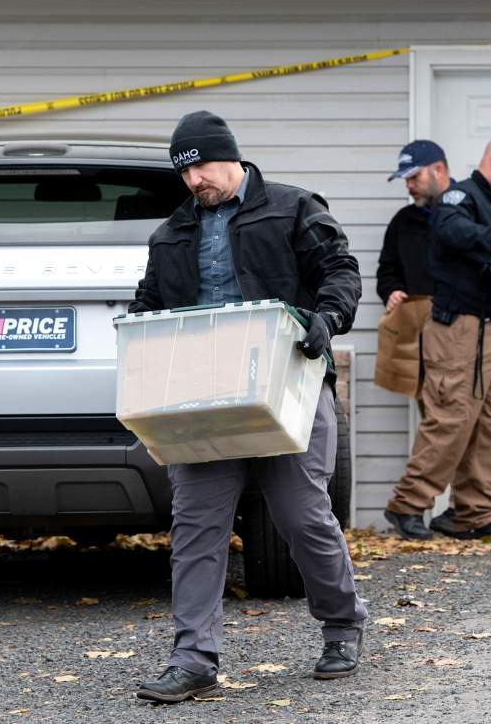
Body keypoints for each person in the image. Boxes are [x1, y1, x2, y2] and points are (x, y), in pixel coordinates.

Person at [131, 111, 367, 703]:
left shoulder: (292, 208)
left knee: (301, 514)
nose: (194, 182)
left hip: (289, 384)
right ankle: (193, 659)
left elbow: (339, 270)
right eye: (184, 174)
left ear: (231, 157)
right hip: (203, 397)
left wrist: (327, 318)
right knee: (196, 525)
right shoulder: (170, 234)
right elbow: (149, 306)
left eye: (202, 169)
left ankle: (342, 625)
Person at [384, 134, 491, 541]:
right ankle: (408, 504)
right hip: (464, 328)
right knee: (451, 416)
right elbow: (452, 231)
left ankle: (472, 513)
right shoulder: (460, 199)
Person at [373, 140, 451, 398]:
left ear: (438, 169)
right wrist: (392, 291)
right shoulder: (403, 221)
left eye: (414, 177)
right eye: (405, 179)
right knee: (433, 411)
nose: (408, 185)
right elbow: (387, 270)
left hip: (464, 335)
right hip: (419, 338)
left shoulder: (469, 209)